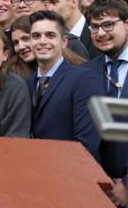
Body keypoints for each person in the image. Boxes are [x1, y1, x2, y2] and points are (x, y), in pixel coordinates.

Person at [87, 0, 128, 208]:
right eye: (94, 27)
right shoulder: (86, 72)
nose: (100, 33)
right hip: (98, 190)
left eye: (108, 25)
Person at [26, 9, 99, 157]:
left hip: (69, 173)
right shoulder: (27, 84)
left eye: (50, 35)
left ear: (64, 41)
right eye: (36, 36)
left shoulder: (83, 79)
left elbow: (87, 142)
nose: (42, 41)